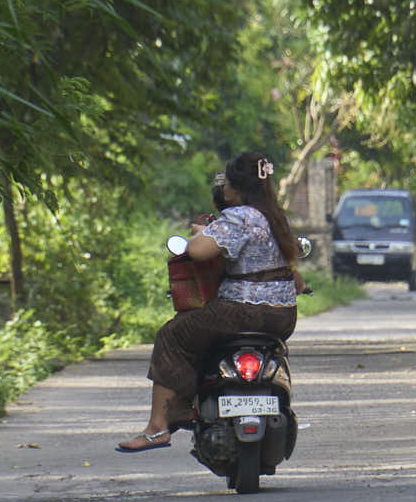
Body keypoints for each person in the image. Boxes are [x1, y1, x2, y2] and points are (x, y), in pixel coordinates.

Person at [117, 151, 304, 452]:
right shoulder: (276, 218)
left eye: (227, 182)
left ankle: (157, 428)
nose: (223, 187)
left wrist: (202, 233)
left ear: (237, 187)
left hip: (241, 313)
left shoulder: (239, 216)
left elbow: (198, 252)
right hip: (283, 318)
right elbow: (298, 281)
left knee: (172, 335)